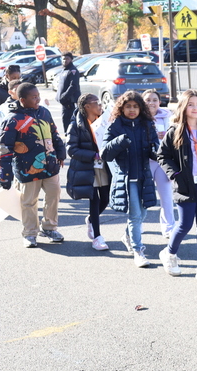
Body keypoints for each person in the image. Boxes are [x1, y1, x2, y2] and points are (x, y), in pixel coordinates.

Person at [157, 90, 197, 282]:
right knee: (184, 224)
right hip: (185, 184)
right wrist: (175, 174)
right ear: (184, 108)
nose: (195, 108)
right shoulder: (175, 131)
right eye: (191, 104)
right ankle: (169, 254)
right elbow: (162, 156)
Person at [0, 83, 66, 248]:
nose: (38, 99)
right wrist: (4, 174)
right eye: (34, 97)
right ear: (22, 100)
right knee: (28, 201)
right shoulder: (12, 120)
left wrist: (61, 152)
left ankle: (49, 228)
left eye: (38, 95)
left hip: (50, 165)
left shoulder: (44, 112)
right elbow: (4, 148)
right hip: (26, 169)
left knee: (54, 195)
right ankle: (30, 233)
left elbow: (54, 133)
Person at [101, 91, 158, 268]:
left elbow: (155, 149)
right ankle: (138, 250)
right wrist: (119, 142)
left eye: (135, 106)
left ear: (141, 108)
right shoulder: (115, 125)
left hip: (144, 176)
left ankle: (127, 235)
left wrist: (156, 151)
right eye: (128, 106)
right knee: (135, 216)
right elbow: (105, 154)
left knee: (142, 214)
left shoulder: (147, 124)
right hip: (127, 178)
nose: (132, 110)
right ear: (121, 108)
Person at [66, 93, 111, 251]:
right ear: (87, 107)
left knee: (106, 198)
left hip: (103, 165)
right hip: (87, 166)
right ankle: (97, 238)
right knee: (95, 199)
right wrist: (93, 155)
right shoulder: (76, 125)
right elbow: (71, 149)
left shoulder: (105, 120)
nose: (100, 105)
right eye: (97, 103)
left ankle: (91, 219)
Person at [142, 90, 176, 238]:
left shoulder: (167, 117)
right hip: (145, 162)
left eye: (154, 100)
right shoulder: (138, 117)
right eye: (148, 100)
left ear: (159, 102)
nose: (151, 103)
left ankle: (169, 227)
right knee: (142, 196)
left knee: (166, 196)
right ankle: (138, 224)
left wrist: (168, 136)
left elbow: (176, 139)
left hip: (162, 162)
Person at [0, 66, 22, 180]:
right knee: (2, 151)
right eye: (13, 77)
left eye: (18, 77)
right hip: (1, 125)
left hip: (17, 125)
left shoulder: (23, 87)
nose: (16, 79)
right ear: (7, 76)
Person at [55, 52, 80, 133]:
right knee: (65, 120)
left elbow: (73, 86)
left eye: (67, 59)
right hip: (64, 102)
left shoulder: (73, 70)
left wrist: (64, 97)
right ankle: (67, 134)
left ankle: (70, 137)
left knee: (69, 121)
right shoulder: (64, 70)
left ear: (71, 60)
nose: (65, 61)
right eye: (63, 59)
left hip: (69, 101)